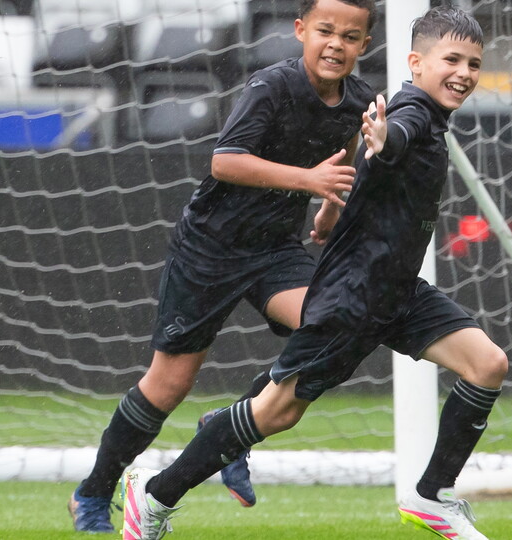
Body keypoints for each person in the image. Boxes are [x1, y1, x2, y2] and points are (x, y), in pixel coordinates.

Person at [120, 7, 508, 540]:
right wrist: (384, 139)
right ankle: (155, 495)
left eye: (473, 63)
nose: (464, 72)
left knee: (487, 364)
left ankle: (431, 496)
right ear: (416, 62)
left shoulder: (425, 112)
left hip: (397, 291)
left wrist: (334, 203)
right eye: (451, 60)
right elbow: (397, 134)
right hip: (352, 296)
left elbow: (371, 159)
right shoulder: (411, 108)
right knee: (278, 413)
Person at [68, 0, 378, 532]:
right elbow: (224, 161)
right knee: (167, 386)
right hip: (210, 247)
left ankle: (229, 424)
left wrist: (328, 207)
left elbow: (345, 150)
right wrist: (309, 182)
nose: (336, 44)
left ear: (364, 45)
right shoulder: (271, 86)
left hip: (274, 248)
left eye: (350, 37)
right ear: (301, 30)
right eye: (325, 31)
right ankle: (93, 492)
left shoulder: (357, 99)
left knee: (332, 322)